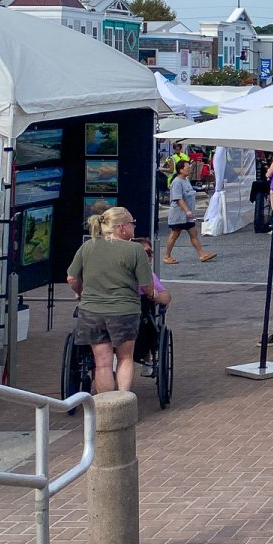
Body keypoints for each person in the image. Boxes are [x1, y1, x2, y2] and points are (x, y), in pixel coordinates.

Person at [68, 207, 168, 394]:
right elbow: (146, 285)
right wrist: (152, 295)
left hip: (92, 311)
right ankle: (123, 403)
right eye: (132, 223)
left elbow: (72, 278)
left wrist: (83, 293)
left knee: (102, 364)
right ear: (122, 227)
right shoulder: (135, 249)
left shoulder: (88, 246)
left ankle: (105, 407)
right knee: (124, 358)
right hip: (124, 311)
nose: (134, 226)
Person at [164, 160, 215, 265]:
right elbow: (178, 199)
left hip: (187, 215)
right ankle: (166, 256)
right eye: (187, 168)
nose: (189, 170)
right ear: (181, 170)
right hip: (179, 214)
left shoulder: (186, 180)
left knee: (193, 233)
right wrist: (187, 210)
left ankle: (201, 254)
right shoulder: (177, 182)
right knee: (175, 234)